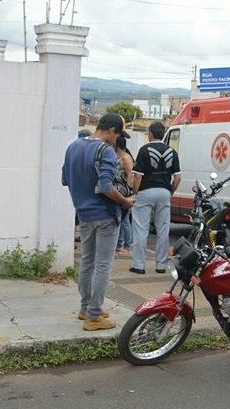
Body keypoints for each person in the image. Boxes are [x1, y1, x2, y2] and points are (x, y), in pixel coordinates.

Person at [62, 113, 136, 331]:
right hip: (105, 215)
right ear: (111, 131)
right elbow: (106, 186)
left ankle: (86, 307)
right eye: (119, 134)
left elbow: (65, 179)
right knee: (103, 265)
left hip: (84, 214)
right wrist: (125, 202)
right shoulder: (105, 151)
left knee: (87, 262)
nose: (118, 140)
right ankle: (94, 316)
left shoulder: (73, 147)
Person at [130, 121, 180, 274]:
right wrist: (169, 192)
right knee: (163, 230)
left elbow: (137, 176)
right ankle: (161, 266)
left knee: (140, 229)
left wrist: (135, 192)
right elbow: (177, 177)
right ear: (164, 134)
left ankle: (139, 265)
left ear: (150, 134)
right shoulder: (172, 152)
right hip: (164, 192)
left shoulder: (144, 150)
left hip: (146, 191)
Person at [114, 133, 135, 257]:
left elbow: (130, 175)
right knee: (121, 219)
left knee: (125, 220)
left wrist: (130, 192)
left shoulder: (126, 158)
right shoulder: (119, 156)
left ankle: (127, 245)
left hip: (126, 192)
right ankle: (119, 244)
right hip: (119, 191)